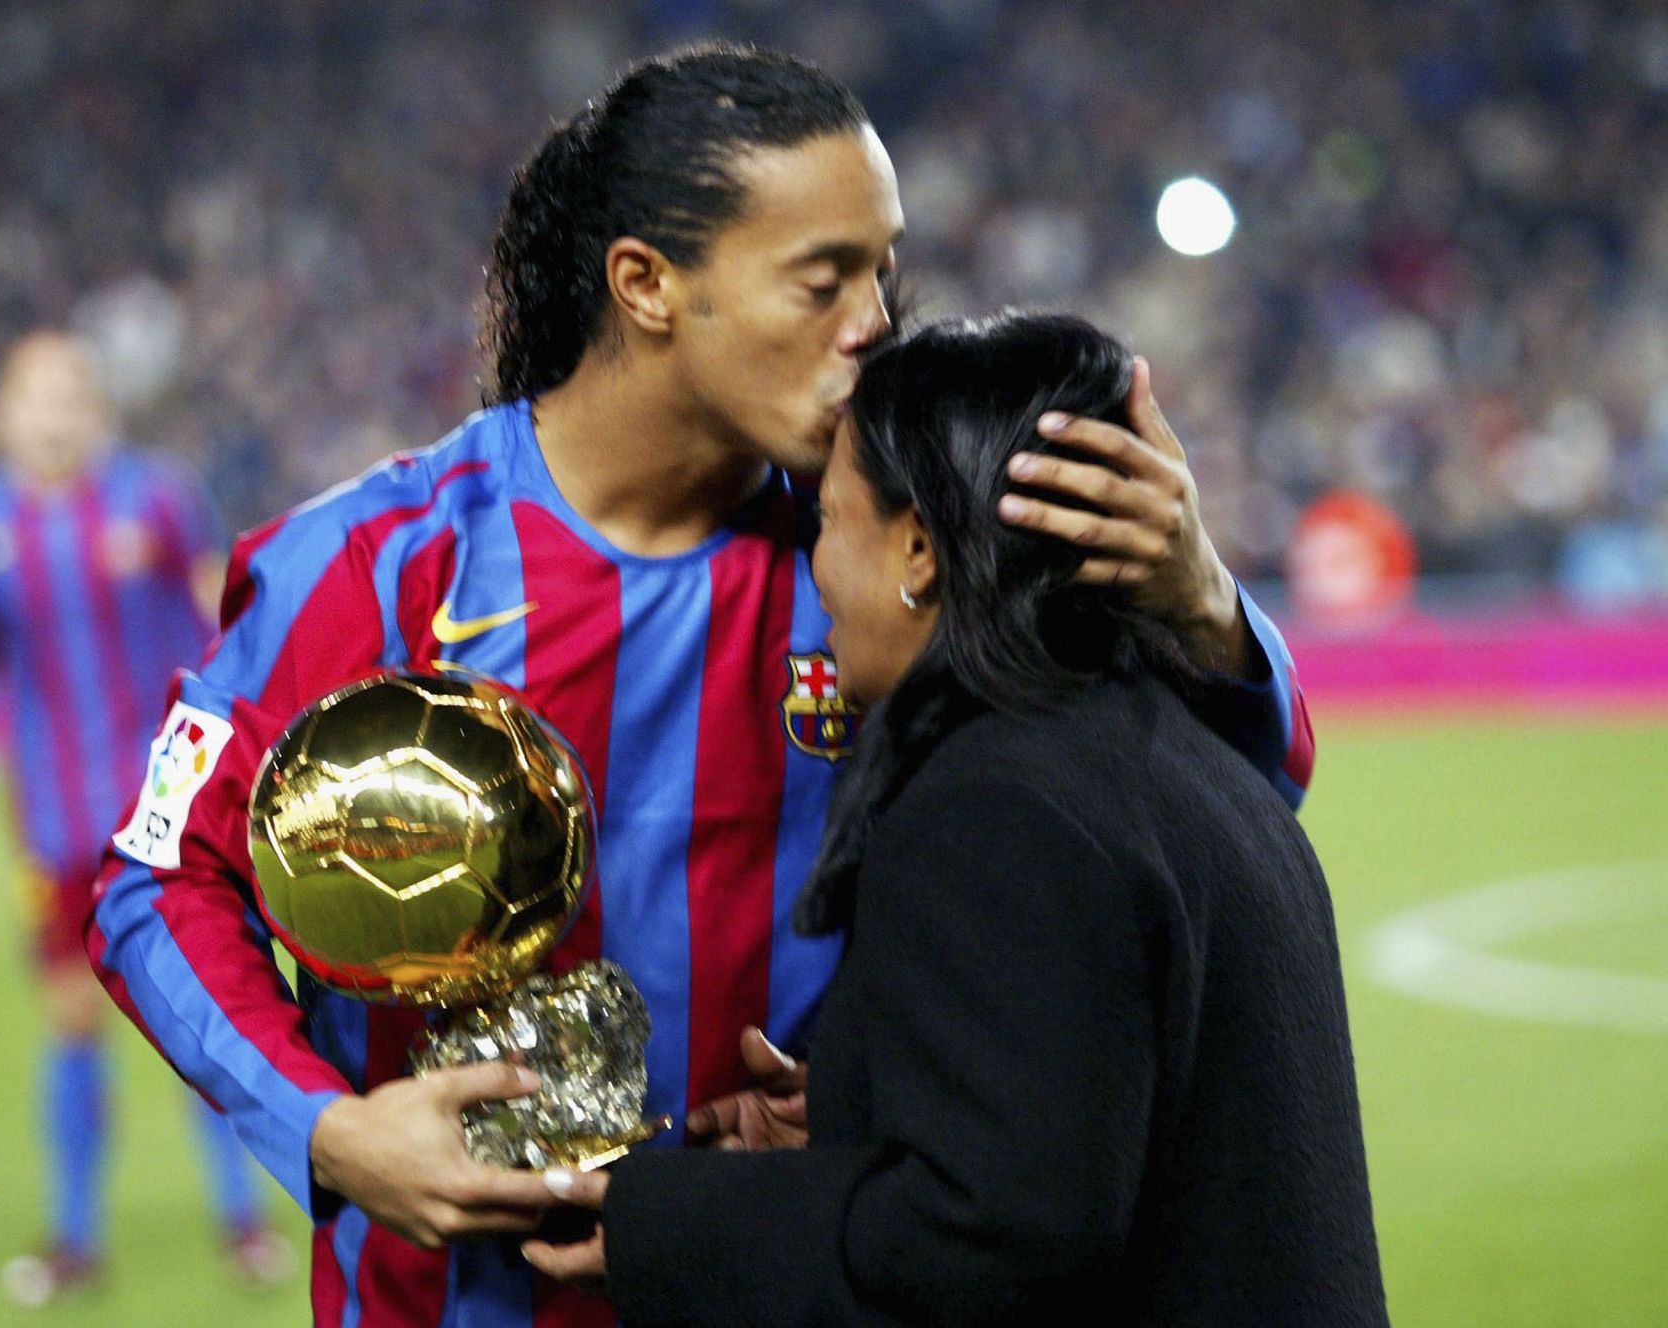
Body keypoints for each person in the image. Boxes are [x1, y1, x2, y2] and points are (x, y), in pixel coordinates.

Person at [87, 45, 1317, 1326]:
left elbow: (1226, 802)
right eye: (822, 280)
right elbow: (156, 876)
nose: (875, 325)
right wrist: (331, 1132)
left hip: (792, 1288)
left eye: (882, 270)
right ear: (647, 285)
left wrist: (1204, 602)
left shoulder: (892, 555)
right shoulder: (375, 566)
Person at [523, 312, 1386, 1326]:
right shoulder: (1199, 763)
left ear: (921, 549)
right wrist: (864, 1104)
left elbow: (985, 1243)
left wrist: (664, 1215)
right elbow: (1090, 1135)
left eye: (830, 523)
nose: (816, 573)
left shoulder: (993, 811)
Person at [0, 331, 293, 1306]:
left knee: (197, 1010)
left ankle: (243, 1220)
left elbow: (223, 617)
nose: (56, 412)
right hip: (50, 815)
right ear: (1, 412)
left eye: (73, 392)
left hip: (168, 811)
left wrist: (246, 746)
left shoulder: (156, 496)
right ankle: (76, 1236)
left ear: (100, 407)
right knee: (73, 1016)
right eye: (36, 395)